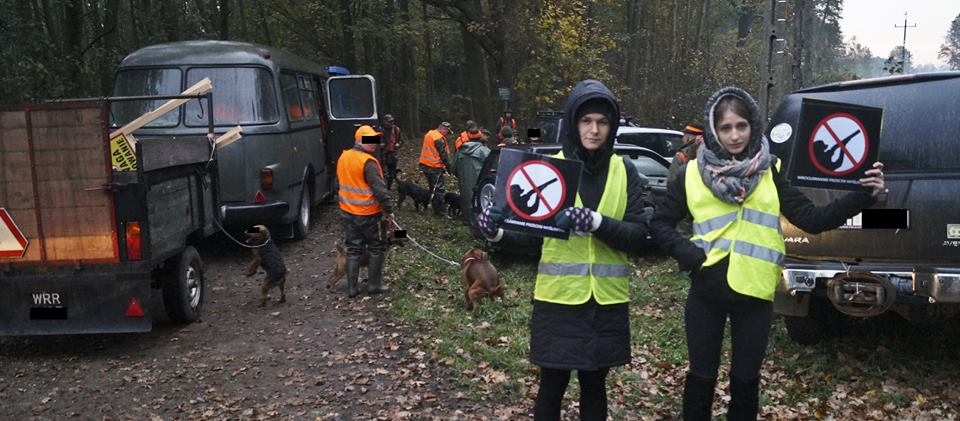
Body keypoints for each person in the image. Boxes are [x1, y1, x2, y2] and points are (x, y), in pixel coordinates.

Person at [649, 87, 886, 420]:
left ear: (754, 126)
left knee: (745, 384)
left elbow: (812, 220)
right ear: (714, 130)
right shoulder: (691, 173)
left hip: (756, 294)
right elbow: (660, 223)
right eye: (726, 127)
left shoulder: (770, 172)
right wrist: (689, 254)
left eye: (741, 126)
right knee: (701, 378)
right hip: (706, 292)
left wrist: (863, 195)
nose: (734, 135)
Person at [476, 80, 651, 420]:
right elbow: (532, 237)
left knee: (595, 386)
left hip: (606, 303)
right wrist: (497, 232)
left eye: (602, 122)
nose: (595, 129)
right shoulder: (549, 168)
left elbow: (638, 235)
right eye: (587, 121)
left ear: (611, 126)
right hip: (558, 302)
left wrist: (597, 222)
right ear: (574, 123)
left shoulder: (624, 170)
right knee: (551, 385)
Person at [336, 125, 396, 298]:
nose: (375, 144)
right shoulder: (368, 162)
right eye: (370, 140)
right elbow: (380, 190)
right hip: (368, 214)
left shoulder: (344, 157)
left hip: (348, 212)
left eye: (375, 139)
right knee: (376, 247)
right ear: (360, 140)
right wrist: (389, 210)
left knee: (353, 249)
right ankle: (374, 285)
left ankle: (352, 289)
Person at [667, 123, 705, 240]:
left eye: (684, 136)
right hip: (703, 208)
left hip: (685, 207)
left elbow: (672, 183)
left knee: (683, 237)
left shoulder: (681, 156)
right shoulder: (711, 153)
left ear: (688, 137)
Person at [453, 125, 490, 223]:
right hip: (480, 183)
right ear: (479, 137)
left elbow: (454, 169)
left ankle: (467, 219)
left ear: (468, 137)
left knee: (466, 200)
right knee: (479, 201)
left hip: (464, 183)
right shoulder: (485, 151)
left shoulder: (459, 151)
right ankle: (480, 222)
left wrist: (462, 176)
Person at [419, 121, 454, 216]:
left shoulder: (430, 134)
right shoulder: (439, 139)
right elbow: (444, 156)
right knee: (440, 190)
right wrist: (449, 168)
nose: (447, 134)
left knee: (432, 188)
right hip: (434, 167)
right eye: (447, 132)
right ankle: (440, 211)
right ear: (444, 129)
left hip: (425, 165)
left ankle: (433, 207)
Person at [381, 114, 403, 190]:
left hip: (393, 154)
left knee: (391, 173)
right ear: (385, 122)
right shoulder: (379, 130)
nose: (392, 123)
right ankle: (384, 188)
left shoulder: (397, 130)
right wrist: (379, 145)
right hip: (382, 155)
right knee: (383, 172)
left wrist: (398, 144)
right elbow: (367, 140)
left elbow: (401, 141)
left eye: (392, 121)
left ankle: (388, 188)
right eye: (390, 121)